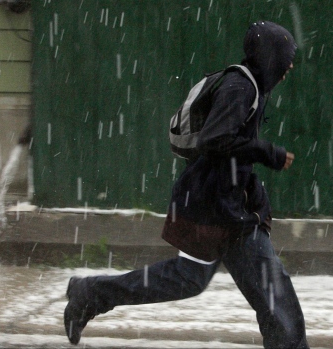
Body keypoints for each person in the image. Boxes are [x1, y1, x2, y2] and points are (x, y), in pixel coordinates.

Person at [64, 21, 309, 348]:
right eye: (286, 57)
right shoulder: (241, 87)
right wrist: (269, 153)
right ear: (269, 57)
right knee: (238, 286)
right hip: (209, 207)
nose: (290, 65)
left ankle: (90, 294)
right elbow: (216, 141)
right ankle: (90, 294)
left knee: (241, 286)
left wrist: (256, 196)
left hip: (224, 207)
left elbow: (232, 152)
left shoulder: (250, 87)